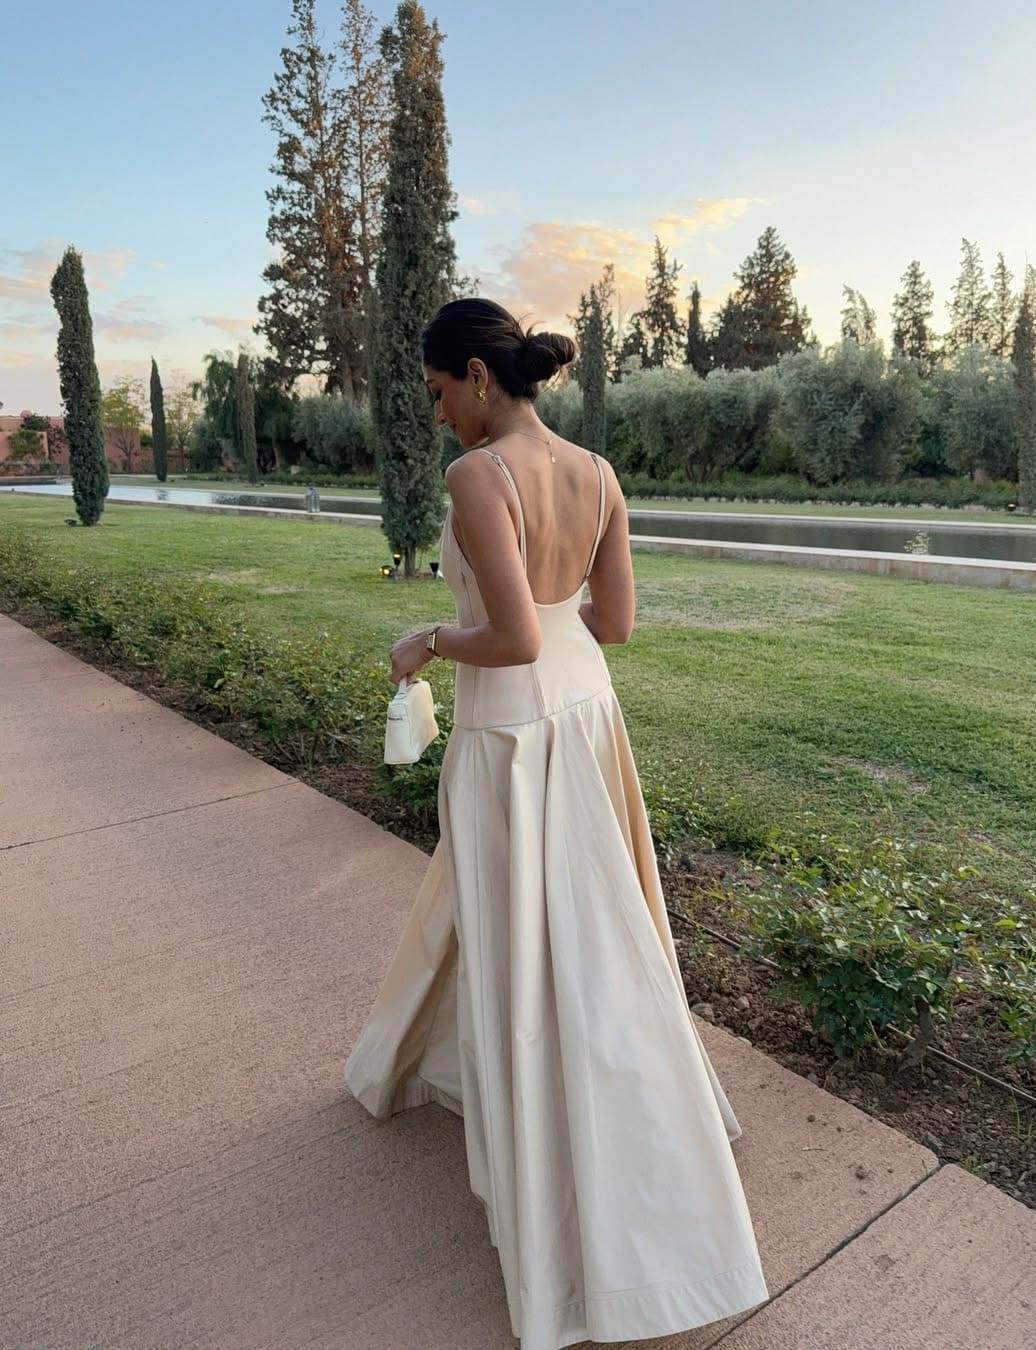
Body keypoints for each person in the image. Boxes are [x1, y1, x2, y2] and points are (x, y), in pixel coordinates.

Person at [344, 298, 767, 1349]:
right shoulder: (599, 471)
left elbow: (515, 640)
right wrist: (533, 616)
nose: (436, 414)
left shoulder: (476, 477)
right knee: (598, 934)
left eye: (439, 392)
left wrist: (424, 641)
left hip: (516, 736)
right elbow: (610, 625)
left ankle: (560, 1170)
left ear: (478, 380)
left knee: (528, 952)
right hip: (588, 721)